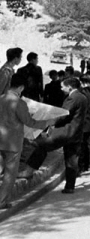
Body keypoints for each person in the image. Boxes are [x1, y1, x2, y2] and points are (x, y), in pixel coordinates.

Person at [25, 76, 87, 194]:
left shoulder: (72, 98)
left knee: (42, 146)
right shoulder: (83, 97)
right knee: (72, 159)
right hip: (76, 133)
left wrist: (48, 121)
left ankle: (28, 171)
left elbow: (63, 115)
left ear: (69, 87)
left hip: (65, 132)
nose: (61, 88)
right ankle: (70, 186)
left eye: (63, 86)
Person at [0, 72, 53, 208]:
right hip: (13, 142)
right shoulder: (19, 102)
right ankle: (2, 201)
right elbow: (29, 122)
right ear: (21, 88)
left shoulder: (1, 98)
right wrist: (47, 122)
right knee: (10, 173)